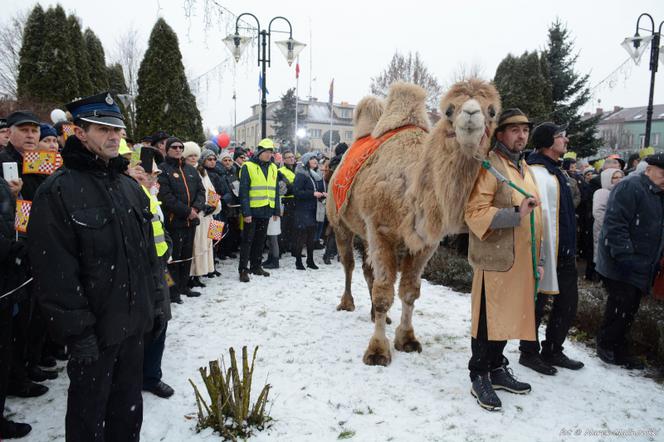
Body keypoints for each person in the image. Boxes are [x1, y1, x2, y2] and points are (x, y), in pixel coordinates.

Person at [27, 92, 164, 442]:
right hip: (94, 335)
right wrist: (78, 334)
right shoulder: (57, 191)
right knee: (88, 421)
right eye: (102, 128)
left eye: (116, 128)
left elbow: (147, 254)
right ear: (78, 132)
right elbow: (55, 273)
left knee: (127, 414)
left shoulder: (129, 188)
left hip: (133, 328)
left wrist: (155, 304)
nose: (114, 136)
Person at [464, 108, 542, 411]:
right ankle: (479, 374)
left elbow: (538, 215)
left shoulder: (525, 168)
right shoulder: (490, 167)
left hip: (521, 260)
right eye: (514, 130)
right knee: (487, 321)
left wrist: (540, 256)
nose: (521, 135)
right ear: (500, 135)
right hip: (495, 261)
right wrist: (515, 214)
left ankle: (497, 368)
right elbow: (474, 212)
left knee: (507, 319)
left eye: (525, 130)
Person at [519, 122, 584, 376]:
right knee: (537, 302)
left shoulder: (557, 172)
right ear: (547, 141)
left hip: (565, 250)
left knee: (568, 302)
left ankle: (553, 349)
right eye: (561, 137)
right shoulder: (534, 172)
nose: (566, 141)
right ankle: (529, 351)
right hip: (544, 250)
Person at [595, 153, 664, 370]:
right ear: (649, 169)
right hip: (622, 263)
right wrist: (626, 256)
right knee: (619, 307)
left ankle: (618, 348)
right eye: (663, 173)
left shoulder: (658, 192)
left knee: (629, 308)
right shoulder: (631, 186)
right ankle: (607, 346)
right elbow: (615, 224)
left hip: (643, 264)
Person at [125, 160, 175, 399]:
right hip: (138, 271)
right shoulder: (127, 195)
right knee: (143, 325)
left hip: (158, 267)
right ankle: (135, 376)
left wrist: (168, 247)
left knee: (160, 320)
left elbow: (159, 226)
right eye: (150, 175)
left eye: (156, 175)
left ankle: (151, 375)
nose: (155, 179)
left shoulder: (150, 195)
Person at [0, 175, 32, 439]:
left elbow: (12, 222)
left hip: (9, 282)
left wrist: (15, 196)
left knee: (7, 347)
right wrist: (12, 248)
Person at [157, 137, 206, 303]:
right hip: (174, 223)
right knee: (173, 259)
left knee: (186, 256)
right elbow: (166, 197)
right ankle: (172, 291)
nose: (178, 150)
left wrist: (196, 209)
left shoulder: (191, 170)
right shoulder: (162, 169)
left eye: (180, 147)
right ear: (167, 149)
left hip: (190, 223)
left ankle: (184, 286)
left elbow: (201, 191)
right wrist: (187, 212)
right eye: (174, 147)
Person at [238, 138, 280, 282]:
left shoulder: (273, 167)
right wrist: (246, 212)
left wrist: (276, 210)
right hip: (252, 211)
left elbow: (275, 191)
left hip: (266, 209)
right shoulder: (247, 166)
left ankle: (256, 266)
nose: (269, 155)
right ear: (260, 152)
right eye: (266, 152)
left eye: (271, 152)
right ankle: (243, 269)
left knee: (260, 241)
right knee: (247, 241)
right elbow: (243, 192)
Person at [185, 144, 220, 287]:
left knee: (207, 244)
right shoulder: (184, 171)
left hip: (208, 215)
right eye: (190, 156)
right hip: (196, 214)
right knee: (195, 246)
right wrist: (199, 207)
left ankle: (201, 273)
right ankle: (192, 274)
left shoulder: (202, 171)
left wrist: (214, 206)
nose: (193, 159)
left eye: (195, 156)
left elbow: (211, 190)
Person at [293, 152, 327, 270]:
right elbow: (296, 192)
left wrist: (323, 194)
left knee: (311, 237)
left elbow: (318, 190)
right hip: (302, 210)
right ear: (306, 161)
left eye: (316, 159)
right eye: (312, 159)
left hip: (314, 209)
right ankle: (298, 261)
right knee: (301, 237)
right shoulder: (301, 175)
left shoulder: (316, 175)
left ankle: (310, 260)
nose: (315, 161)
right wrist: (312, 194)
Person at [592, 168, 624, 260]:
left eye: (621, 177)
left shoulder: (621, 191)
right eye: (615, 177)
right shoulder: (602, 192)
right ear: (607, 179)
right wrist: (611, 227)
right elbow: (598, 212)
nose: (619, 179)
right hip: (605, 231)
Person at [217, 150, 241, 259]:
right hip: (222, 205)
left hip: (233, 205)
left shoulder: (233, 173)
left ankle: (229, 250)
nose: (227, 162)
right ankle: (219, 252)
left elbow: (236, 189)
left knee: (231, 229)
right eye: (225, 160)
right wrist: (224, 199)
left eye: (229, 160)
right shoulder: (218, 173)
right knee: (219, 229)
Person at [277, 149, 297, 258]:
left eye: (293, 156)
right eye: (289, 157)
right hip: (286, 201)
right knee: (283, 226)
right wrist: (295, 188)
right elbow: (285, 188)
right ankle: (280, 249)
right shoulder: (280, 171)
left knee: (293, 226)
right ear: (284, 160)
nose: (291, 158)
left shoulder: (297, 170)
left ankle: (290, 247)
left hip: (295, 201)